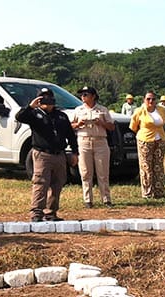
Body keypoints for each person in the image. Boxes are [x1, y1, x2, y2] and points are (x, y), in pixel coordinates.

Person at [15, 88, 78, 222]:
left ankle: (51, 212)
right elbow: (19, 117)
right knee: (40, 183)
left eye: (50, 98)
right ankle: (36, 213)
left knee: (58, 183)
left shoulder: (61, 115)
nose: (47, 101)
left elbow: (70, 135)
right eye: (43, 98)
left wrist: (74, 152)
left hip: (59, 154)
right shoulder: (34, 115)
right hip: (42, 154)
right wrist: (31, 107)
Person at [72, 86, 115, 208]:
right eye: (82, 95)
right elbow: (70, 125)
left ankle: (106, 199)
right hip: (84, 141)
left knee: (103, 172)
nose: (83, 97)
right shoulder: (78, 110)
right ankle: (88, 200)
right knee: (85, 172)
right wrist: (78, 124)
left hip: (100, 142)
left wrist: (101, 123)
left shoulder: (102, 109)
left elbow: (112, 127)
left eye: (86, 94)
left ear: (93, 96)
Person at [129, 91, 165, 199]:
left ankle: (159, 191)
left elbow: (163, 122)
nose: (151, 101)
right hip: (145, 140)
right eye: (148, 99)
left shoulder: (161, 110)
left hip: (160, 140)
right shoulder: (139, 111)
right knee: (146, 167)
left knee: (158, 166)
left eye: (153, 99)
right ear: (144, 100)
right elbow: (133, 126)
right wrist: (142, 135)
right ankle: (147, 193)